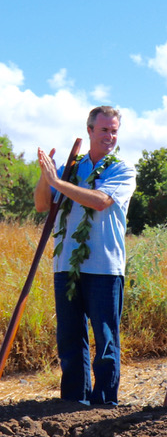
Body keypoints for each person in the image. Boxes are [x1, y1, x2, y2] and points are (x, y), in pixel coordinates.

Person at [35, 106, 136, 406]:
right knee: (69, 337)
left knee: (105, 339)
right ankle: (73, 403)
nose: (110, 136)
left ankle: (104, 405)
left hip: (104, 266)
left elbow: (101, 201)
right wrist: (47, 177)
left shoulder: (122, 168)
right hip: (66, 263)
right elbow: (43, 205)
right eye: (104, 130)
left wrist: (58, 183)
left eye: (114, 130)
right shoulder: (71, 167)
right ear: (90, 130)